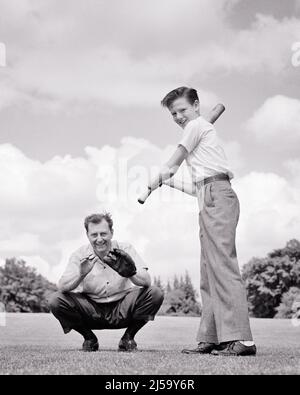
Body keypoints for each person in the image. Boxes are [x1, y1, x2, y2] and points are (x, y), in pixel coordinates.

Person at [143, 87, 256, 356]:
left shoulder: (196, 126)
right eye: (173, 114)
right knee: (208, 271)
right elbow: (196, 187)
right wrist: (168, 181)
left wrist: (162, 173)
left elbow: (173, 163)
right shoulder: (197, 135)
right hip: (206, 194)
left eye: (182, 110)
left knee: (223, 267)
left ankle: (243, 340)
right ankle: (212, 337)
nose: (179, 116)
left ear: (196, 106)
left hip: (219, 195)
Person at [48, 213, 164, 352]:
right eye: (94, 235)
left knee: (155, 293)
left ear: (112, 233)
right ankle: (89, 338)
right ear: (87, 235)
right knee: (56, 300)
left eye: (103, 234)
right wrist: (81, 274)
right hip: (91, 310)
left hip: (122, 306)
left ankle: (128, 338)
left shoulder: (125, 249)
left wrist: (131, 272)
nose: (99, 239)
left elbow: (147, 281)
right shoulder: (79, 255)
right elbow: (62, 287)